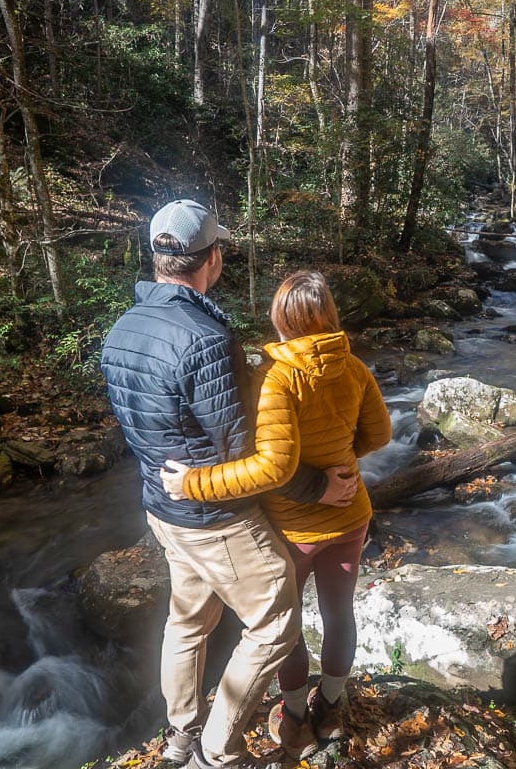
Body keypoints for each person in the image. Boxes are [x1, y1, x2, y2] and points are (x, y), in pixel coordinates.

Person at [100, 201, 357, 769]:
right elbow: (250, 455)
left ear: (158, 257)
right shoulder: (206, 337)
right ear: (212, 259)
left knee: (188, 621)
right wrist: (319, 489)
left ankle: (180, 738)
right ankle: (218, 752)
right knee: (276, 622)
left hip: (162, 508)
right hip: (217, 517)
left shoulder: (121, 329)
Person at [160, 270, 391, 760]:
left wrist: (192, 484)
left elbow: (272, 468)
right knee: (338, 614)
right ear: (327, 314)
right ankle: (329, 707)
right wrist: (341, 462)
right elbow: (380, 435)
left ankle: (293, 716)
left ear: (280, 317)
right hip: (351, 517)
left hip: (292, 526)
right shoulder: (354, 366)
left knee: (287, 623)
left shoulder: (275, 377)